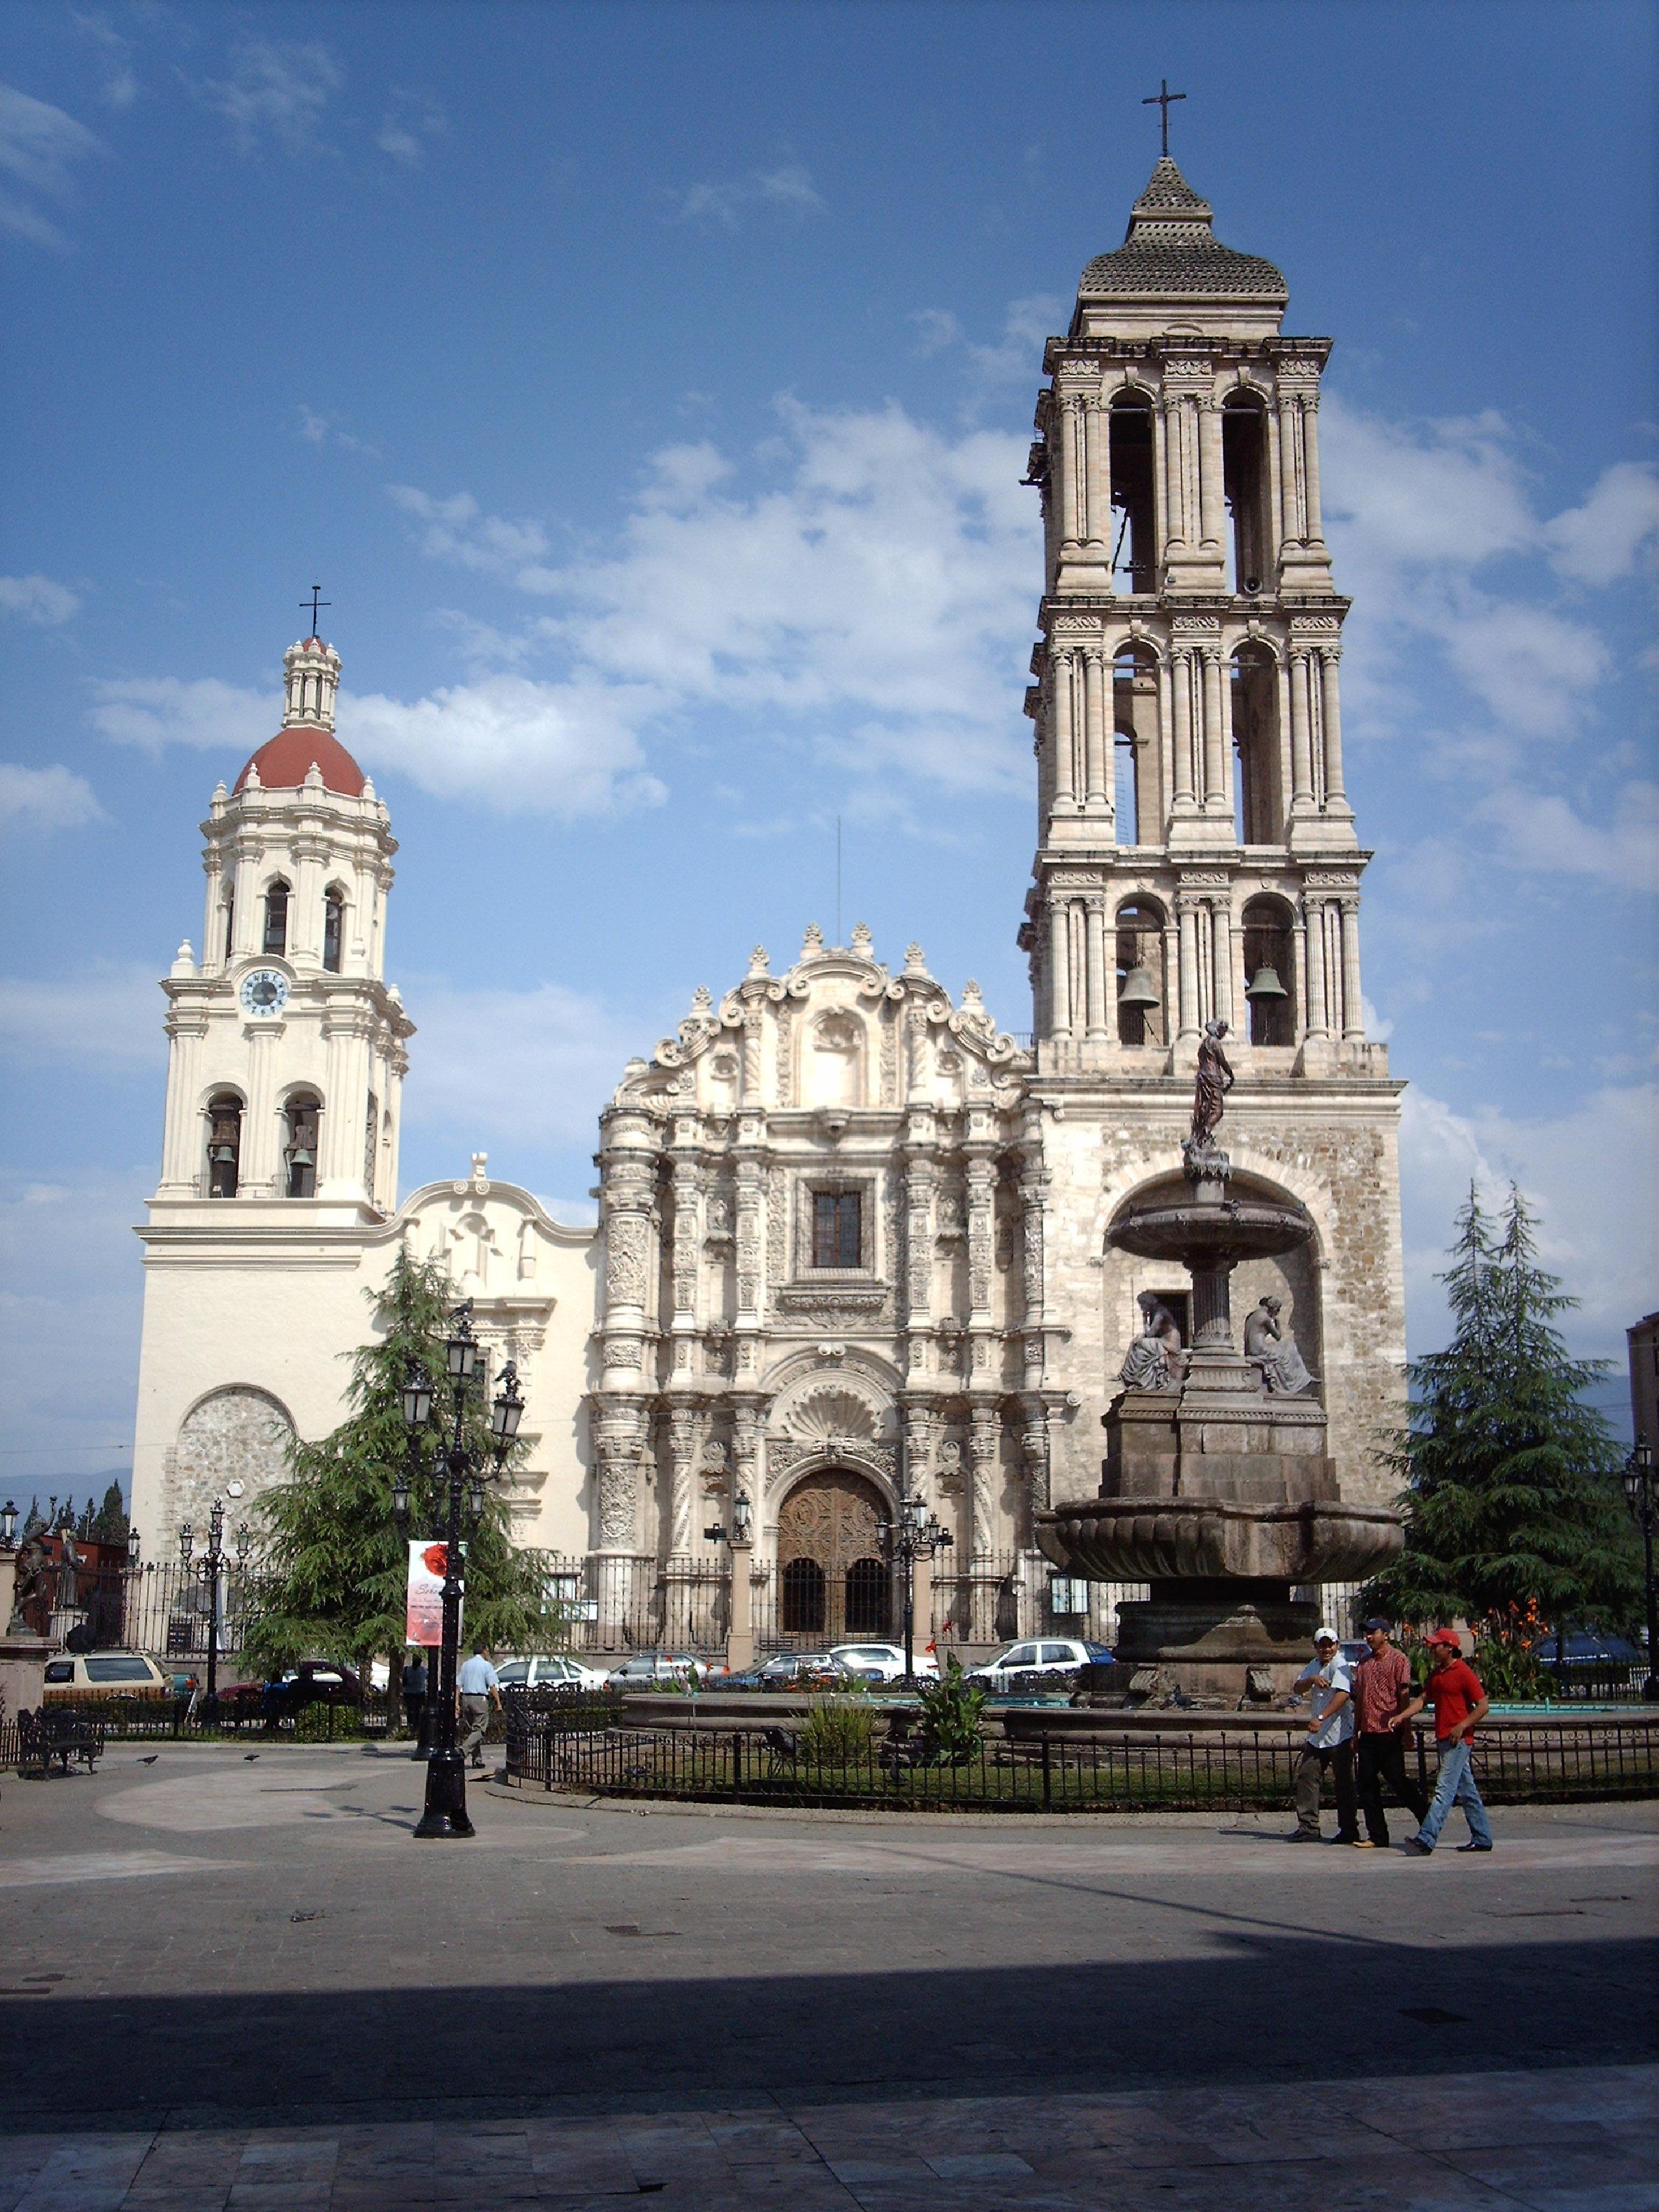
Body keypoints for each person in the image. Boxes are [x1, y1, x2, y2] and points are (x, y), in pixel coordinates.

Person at [1395, 1631, 1493, 1855]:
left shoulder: (1464, 1673)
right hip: (1445, 1738)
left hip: (1459, 1740)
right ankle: (1482, 1837)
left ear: (1449, 1647)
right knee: (1467, 1790)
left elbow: (1482, 1706)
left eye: (1436, 1645)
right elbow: (1422, 1700)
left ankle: (1427, 1837)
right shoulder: (1437, 1674)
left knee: (1444, 1789)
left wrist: (1461, 1726)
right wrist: (1403, 1716)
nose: (1431, 1649)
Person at [1350, 1616, 1429, 1848]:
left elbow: (1404, 1696)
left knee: (1397, 1779)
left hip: (1389, 1729)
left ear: (1386, 1634)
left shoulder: (1399, 1660)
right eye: (1367, 1632)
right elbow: (1360, 1702)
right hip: (1368, 1732)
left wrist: (1406, 1729)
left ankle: (1427, 1818)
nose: (1369, 1636)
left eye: (1373, 1632)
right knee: (1366, 1783)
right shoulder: (1363, 1664)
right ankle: (1377, 1835)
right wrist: (1356, 1733)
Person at [1287, 1626, 1359, 1843]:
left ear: (1337, 1645)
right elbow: (1297, 1688)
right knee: (1307, 1776)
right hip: (1318, 1738)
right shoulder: (1315, 1665)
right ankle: (1308, 1827)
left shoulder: (1341, 1665)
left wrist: (1320, 1718)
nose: (1326, 1649)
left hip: (1339, 1734)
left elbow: (1343, 1695)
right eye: (1322, 1645)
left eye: (1330, 1644)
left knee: (1344, 1782)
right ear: (1316, 1647)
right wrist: (1312, 1680)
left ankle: (1349, 1829)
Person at [456, 1644, 502, 1771]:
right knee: (480, 1730)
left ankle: (477, 1760)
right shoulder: (486, 1665)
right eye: (487, 1651)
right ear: (484, 1651)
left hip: (466, 1698)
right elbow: (492, 1686)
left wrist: (457, 1702)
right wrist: (498, 1702)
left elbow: (458, 1685)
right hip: (479, 1698)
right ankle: (463, 1750)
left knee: (473, 1730)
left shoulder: (466, 1664)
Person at [400, 1649, 428, 1745]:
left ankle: (411, 1727)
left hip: (409, 1693)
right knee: (417, 1711)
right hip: (419, 1693)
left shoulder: (407, 1669)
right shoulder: (423, 1670)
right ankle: (416, 1728)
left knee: (410, 1711)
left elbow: (404, 1682)